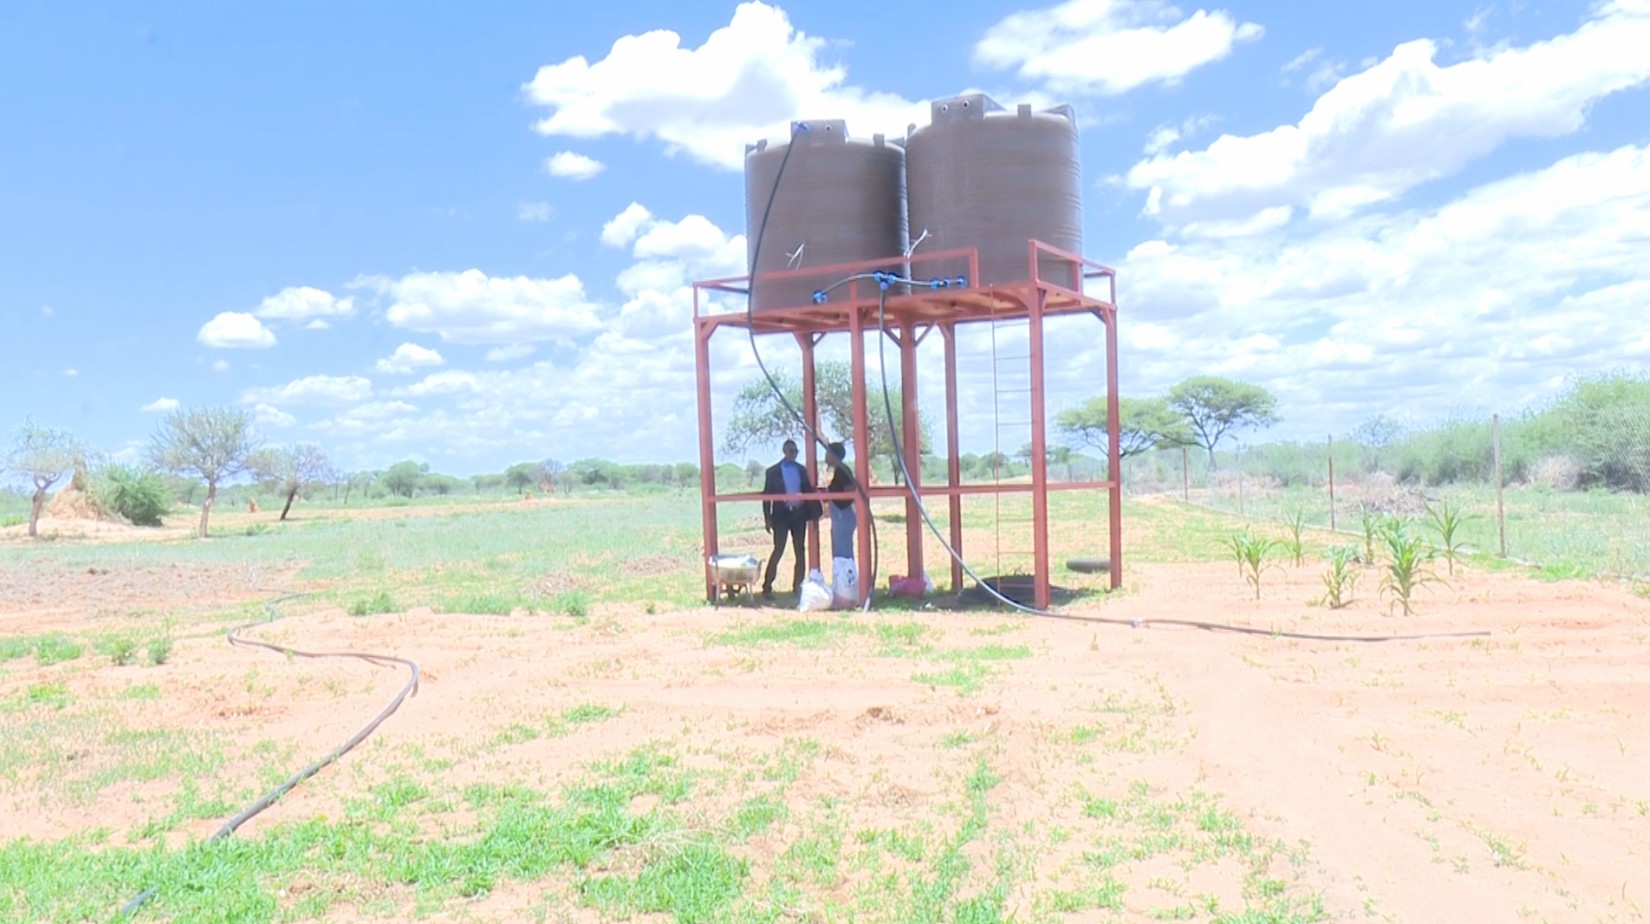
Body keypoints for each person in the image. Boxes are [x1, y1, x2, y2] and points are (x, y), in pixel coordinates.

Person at [761, 439, 820, 599]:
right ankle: (767, 586)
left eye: (796, 451)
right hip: (781, 515)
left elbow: (808, 490)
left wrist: (815, 510)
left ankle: (797, 587)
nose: (793, 454)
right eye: (791, 451)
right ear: (784, 451)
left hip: (798, 514)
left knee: (800, 551)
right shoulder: (773, 471)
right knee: (778, 550)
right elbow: (766, 497)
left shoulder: (801, 470)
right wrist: (767, 518)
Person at [822, 441, 857, 561]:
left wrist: (833, 496)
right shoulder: (839, 471)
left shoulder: (843, 471)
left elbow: (850, 491)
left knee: (843, 550)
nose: (825, 456)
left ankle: (845, 571)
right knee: (840, 548)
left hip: (843, 514)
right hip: (839, 515)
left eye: (827, 453)